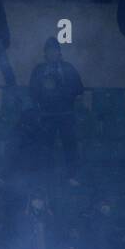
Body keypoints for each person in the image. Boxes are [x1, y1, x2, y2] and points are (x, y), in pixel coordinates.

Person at [28, 38, 84, 185]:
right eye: (49, 50)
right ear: (45, 53)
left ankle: (72, 175)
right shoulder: (39, 70)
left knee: (70, 146)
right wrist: (43, 90)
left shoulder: (68, 68)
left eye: (55, 50)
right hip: (47, 115)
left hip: (66, 114)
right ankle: (47, 177)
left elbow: (79, 89)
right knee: (46, 147)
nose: (52, 53)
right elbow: (32, 91)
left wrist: (63, 91)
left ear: (60, 53)